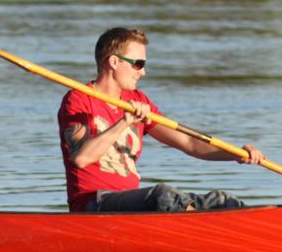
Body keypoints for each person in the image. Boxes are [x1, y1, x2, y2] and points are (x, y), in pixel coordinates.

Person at [58, 27, 263, 213]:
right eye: (138, 64)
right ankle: (201, 230)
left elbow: (190, 143)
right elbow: (81, 158)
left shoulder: (137, 99)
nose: (143, 72)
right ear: (113, 62)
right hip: (93, 204)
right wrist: (124, 122)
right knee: (162, 194)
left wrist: (236, 154)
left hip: (130, 206)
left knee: (221, 200)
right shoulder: (78, 99)